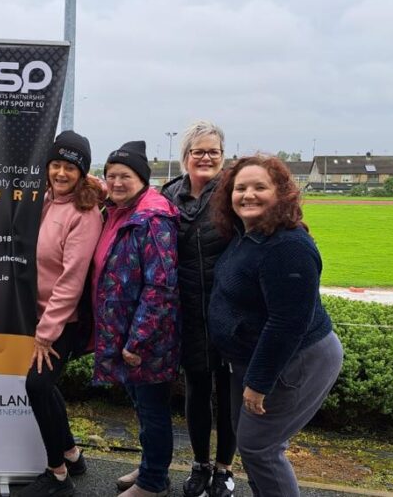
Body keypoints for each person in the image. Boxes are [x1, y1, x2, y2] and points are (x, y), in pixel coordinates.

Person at [208, 155, 343, 497]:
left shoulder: (288, 248)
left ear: (281, 194)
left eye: (259, 187)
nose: (247, 195)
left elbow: (288, 323)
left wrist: (258, 382)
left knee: (260, 448)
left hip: (294, 360)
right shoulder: (249, 234)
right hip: (251, 358)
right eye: (240, 188)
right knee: (249, 440)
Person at [17, 131, 103, 497]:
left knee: (36, 386)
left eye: (70, 167)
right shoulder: (45, 201)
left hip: (62, 322)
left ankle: (57, 475)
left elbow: (71, 280)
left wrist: (46, 333)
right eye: (56, 164)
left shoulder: (84, 214)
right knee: (46, 387)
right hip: (37, 315)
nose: (61, 172)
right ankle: (72, 453)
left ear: (82, 173)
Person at [92, 141, 179, 497]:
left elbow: (161, 285)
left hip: (145, 339)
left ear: (142, 179)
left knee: (153, 409)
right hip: (124, 333)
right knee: (143, 407)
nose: (116, 182)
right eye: (110, 175)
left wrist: (138, 340)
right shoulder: (119, 211)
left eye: (125, 175)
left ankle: (154, 481)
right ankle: (150, 468)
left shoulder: (153, 219)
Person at [160, 121, 236, 497]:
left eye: (213, 152)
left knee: (228, 391)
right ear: (185, 156)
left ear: (223, 157)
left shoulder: (234, 193)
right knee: (196, 389)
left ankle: (224, 469)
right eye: (198, 151)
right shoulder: (168, 195)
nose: (206, 157)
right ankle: (200, 464)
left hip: (228, 311)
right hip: (186, 310)